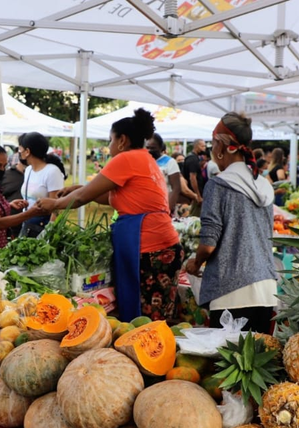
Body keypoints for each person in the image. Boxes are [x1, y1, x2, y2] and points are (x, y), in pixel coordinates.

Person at [38, 109, 183, 323]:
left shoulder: (125, 159)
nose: (109, 146)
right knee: (158, 316)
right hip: (163, 244)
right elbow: (108, 196)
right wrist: (77, 188)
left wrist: (55, 204)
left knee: (145, 320)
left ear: (122, 140)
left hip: (149, 247)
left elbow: (82, 198)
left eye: (110, 140)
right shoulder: (146, 158)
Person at [185, 112, 277, 333]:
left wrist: (195, 264)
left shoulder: (218, 186)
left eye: (213, 142)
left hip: (231, 291)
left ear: (222, 146)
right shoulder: (263, 185)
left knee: (227, 364)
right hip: (266, 288)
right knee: (257, 364)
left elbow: (208, 244)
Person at [18, 132, 65, 237]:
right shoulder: (28, 170)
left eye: (20, 149)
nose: (19, 152)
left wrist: (49, 231)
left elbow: (57, 206)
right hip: (27, 222)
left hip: (43, 225)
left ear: (27, 151)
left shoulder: (52, 172)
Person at [146, 133, 182, 213]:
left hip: (164, 206)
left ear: (161, 148)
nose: (149, 150)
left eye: (153, 148)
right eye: (147, 147)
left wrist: (167, 208)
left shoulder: (170, 162)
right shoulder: (145, 161)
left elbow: (176, 188)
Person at [182, 139, 206, 207]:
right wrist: (197, 195)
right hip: (193, 195)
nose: (204, 148)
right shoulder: (193, 159)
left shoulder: (192, 157)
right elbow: (192, 178)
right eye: (203, 146)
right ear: (197, 146)